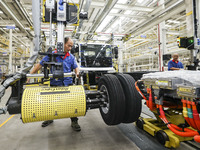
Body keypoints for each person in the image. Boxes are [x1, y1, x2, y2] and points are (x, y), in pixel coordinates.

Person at [29, 37, 81, 131]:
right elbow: (40, 64)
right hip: (55, 83)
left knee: (72, 103)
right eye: (69, 45)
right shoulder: (52, 54)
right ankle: (49, 118)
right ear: (63, 44)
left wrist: (77, 73)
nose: (70, 48)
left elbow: (75, 67)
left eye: (71, 46)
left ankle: (74, 121)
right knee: (51, 103)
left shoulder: (71, 57)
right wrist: (30, 75)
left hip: (67, 83)